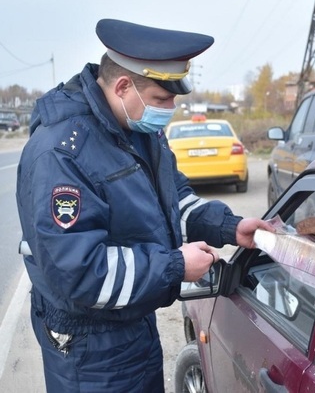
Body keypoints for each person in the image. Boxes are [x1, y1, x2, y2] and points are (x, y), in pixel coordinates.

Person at [16, 19, 273, 393]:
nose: (169, 109)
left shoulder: (139, 131)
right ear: (123, 86)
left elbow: (173, 201)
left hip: (133, 325)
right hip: (90, 350)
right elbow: (79, 273)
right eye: (161, 99)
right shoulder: (62, 152)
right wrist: (175, 266)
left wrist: (229, 227)